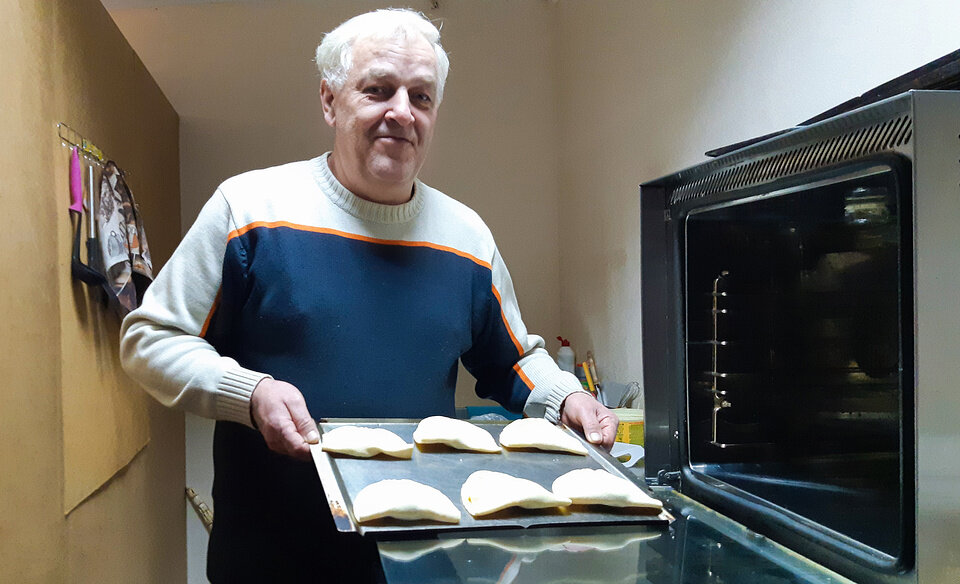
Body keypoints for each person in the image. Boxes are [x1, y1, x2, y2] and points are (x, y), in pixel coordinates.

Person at [120, 8, 618, 582]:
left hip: (421, 559)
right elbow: (149, 338)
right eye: (378, 89)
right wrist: (250, 394)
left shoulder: (469, 239)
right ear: (330, 101)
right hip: (272, 557)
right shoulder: (248, 210)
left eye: (422, 97)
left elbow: (510, 357)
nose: (401, 113)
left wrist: (566, 398)